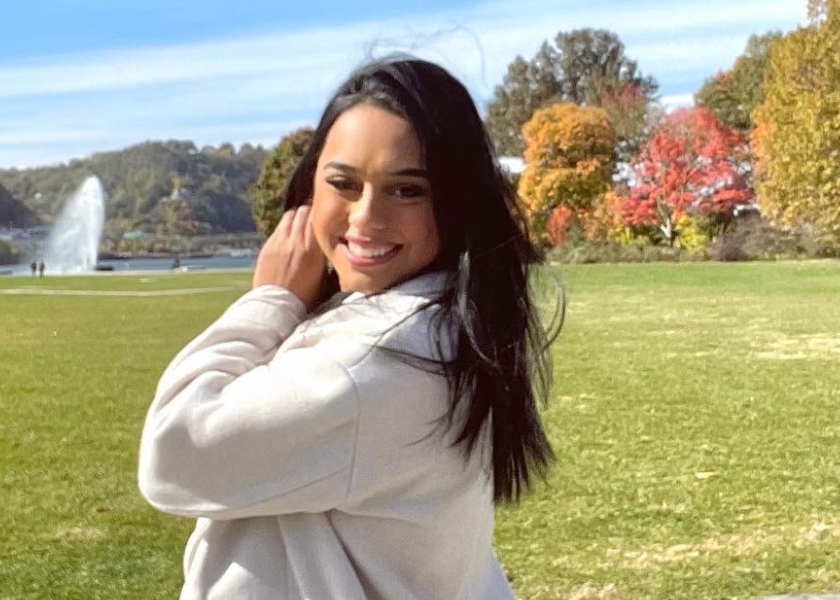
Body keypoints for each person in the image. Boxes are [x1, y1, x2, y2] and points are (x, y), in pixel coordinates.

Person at [137, 56, 562, 600]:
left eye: (407, 189)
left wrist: (270, 300)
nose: (365, 216)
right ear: (310, 187)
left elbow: (175, 454)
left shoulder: (372, 361)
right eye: (343, 182)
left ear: (455, 203)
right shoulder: (452, 327)